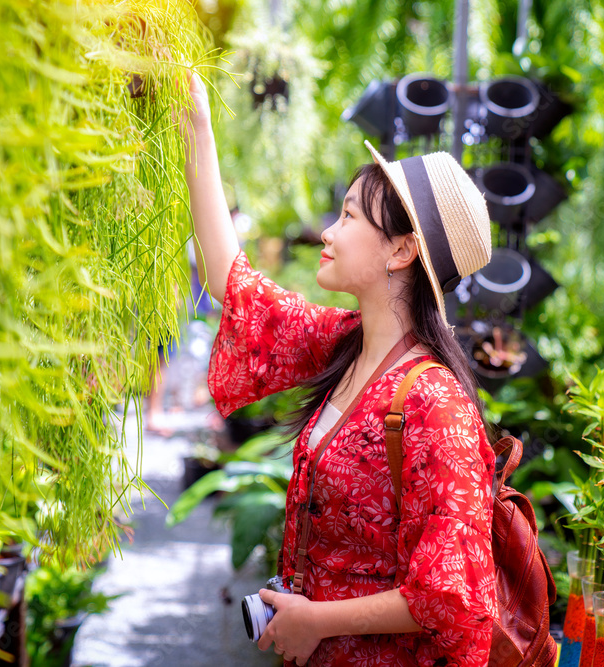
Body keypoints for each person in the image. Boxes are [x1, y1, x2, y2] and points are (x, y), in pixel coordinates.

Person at [177, 72, 497, 667]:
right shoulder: (346, 343)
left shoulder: (437, 405)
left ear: (401, 251)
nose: (328, 231)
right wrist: (197, 123)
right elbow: (234, 283)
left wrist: (317, 619)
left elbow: (456, 594)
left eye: (349, 217)